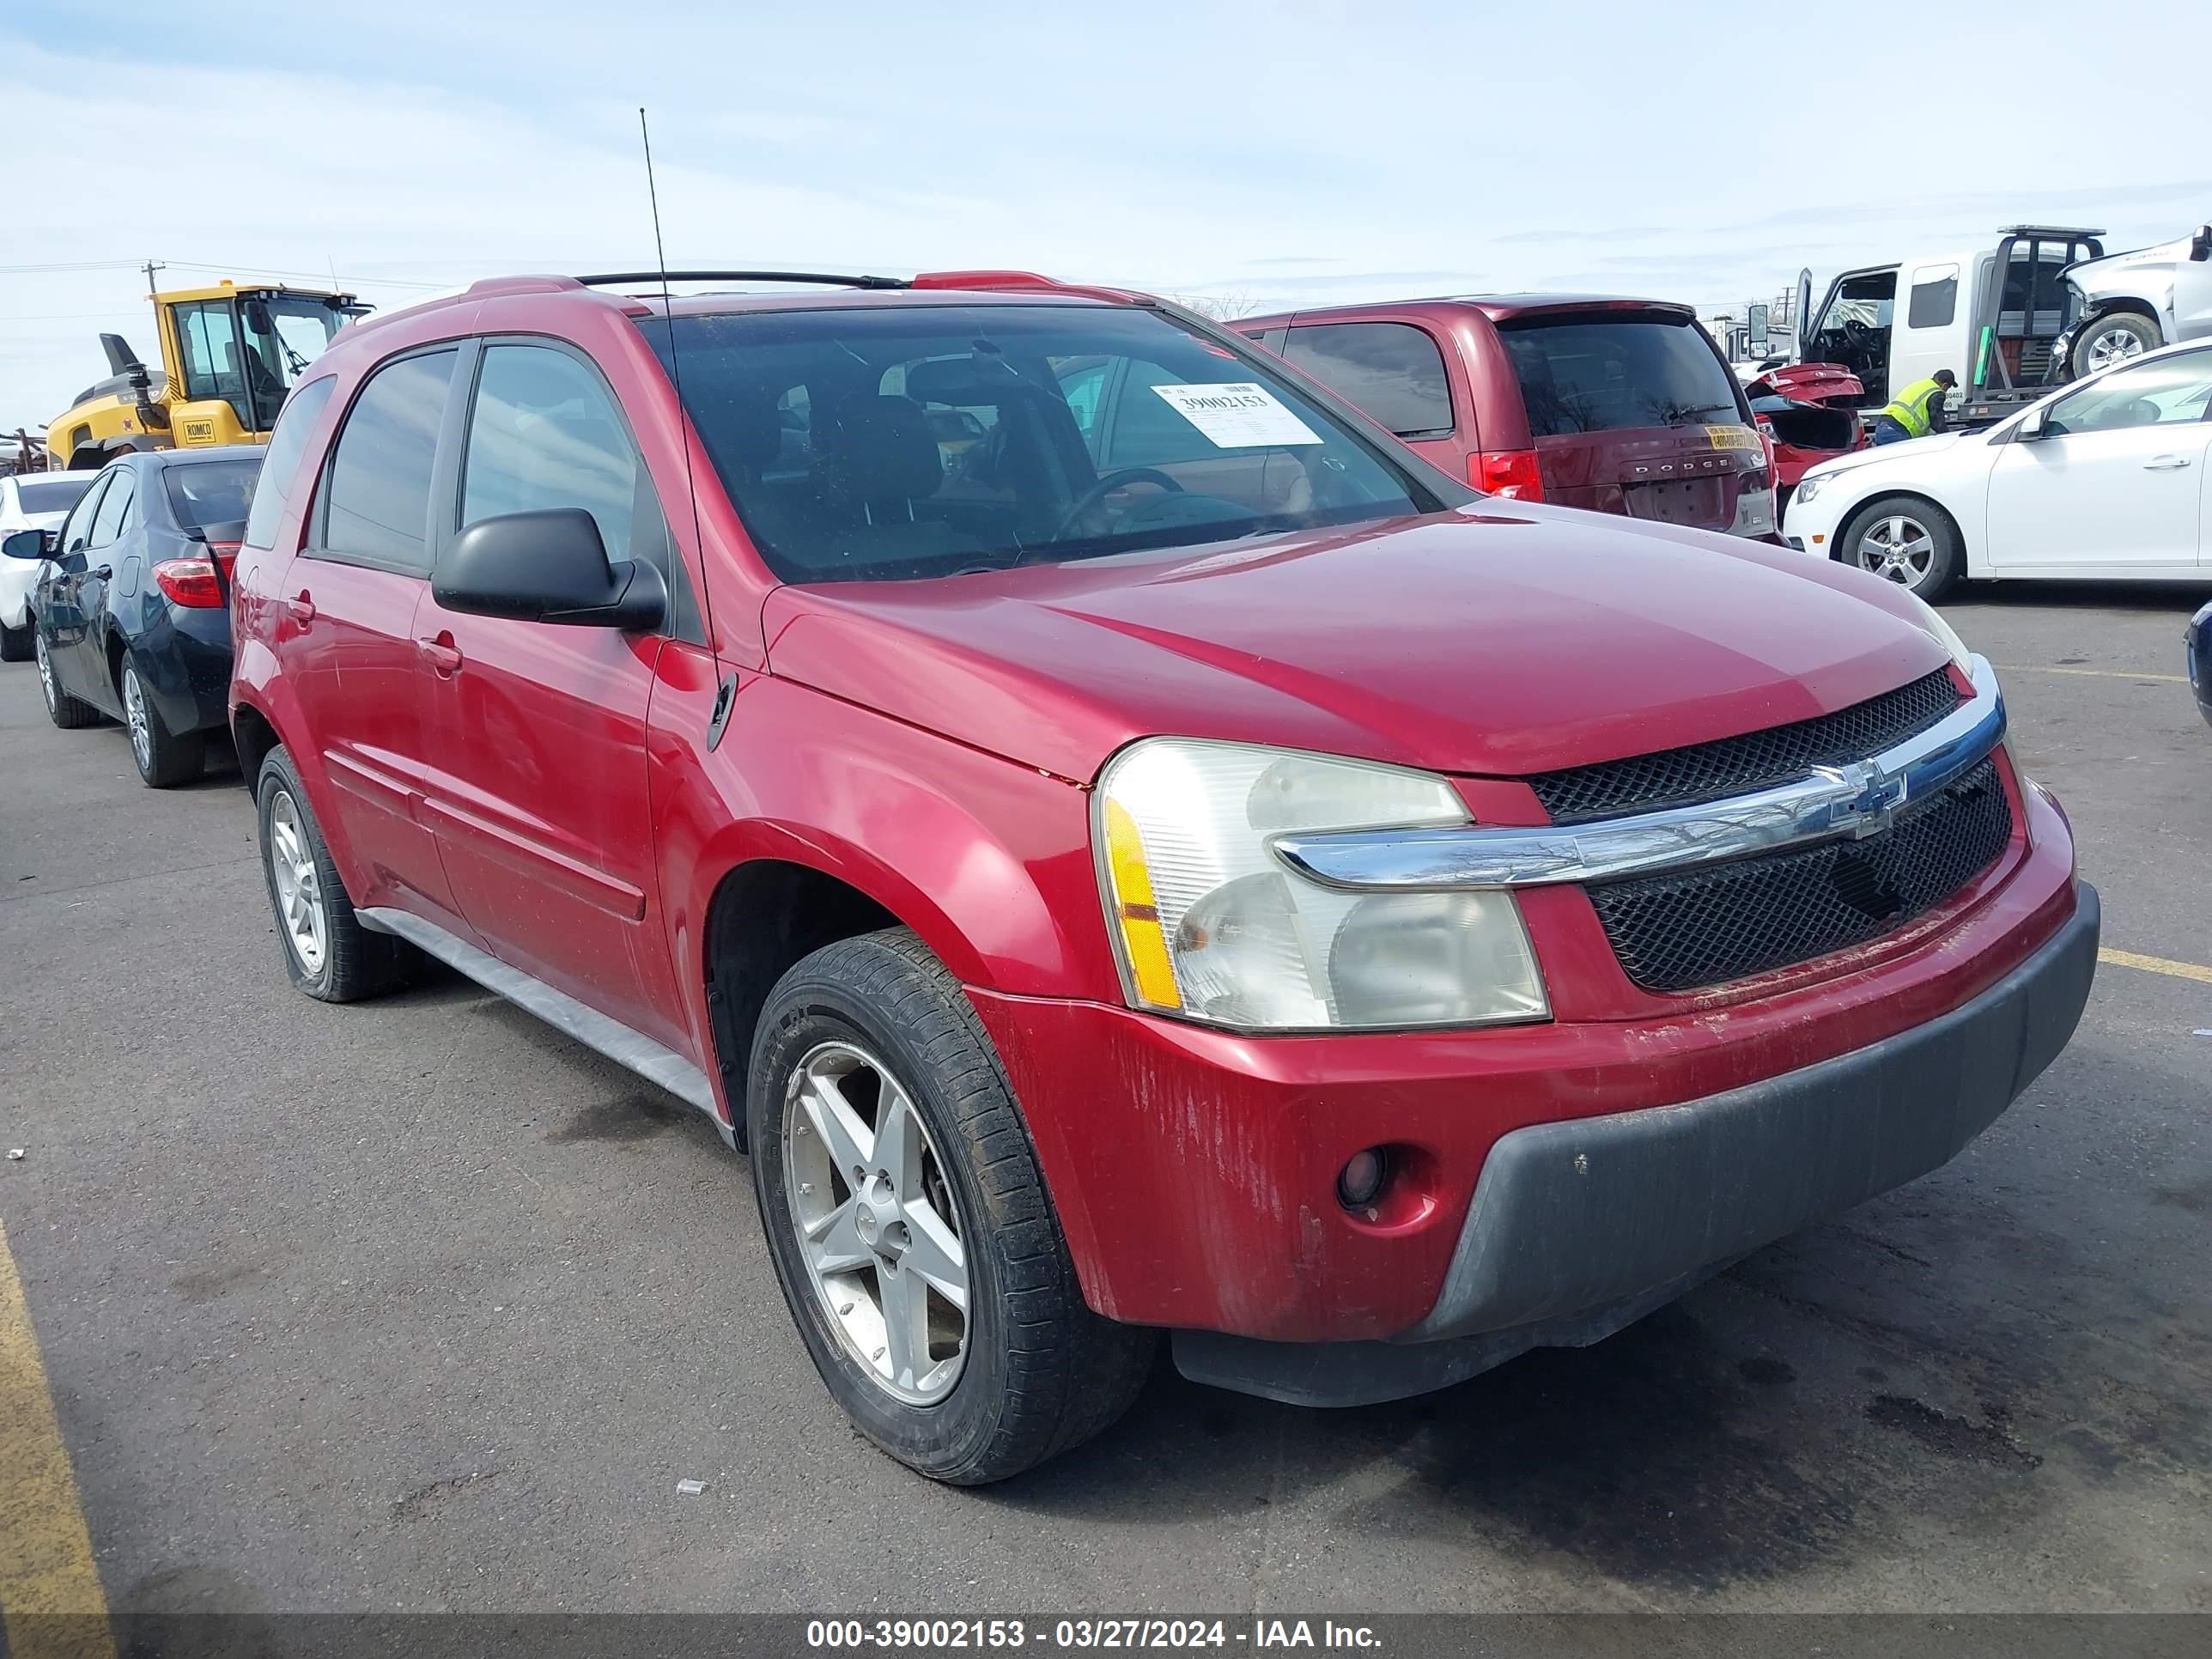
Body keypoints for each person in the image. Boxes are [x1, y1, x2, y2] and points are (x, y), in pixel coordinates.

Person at [1872, 368, 1956, 446]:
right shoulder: (1937, 392)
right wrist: (1948, 437)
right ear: (1944, 385)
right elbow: (1937, 421)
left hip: (1883, 426)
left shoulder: (1922, 384)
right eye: (1948, 388)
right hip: (1898, 430)